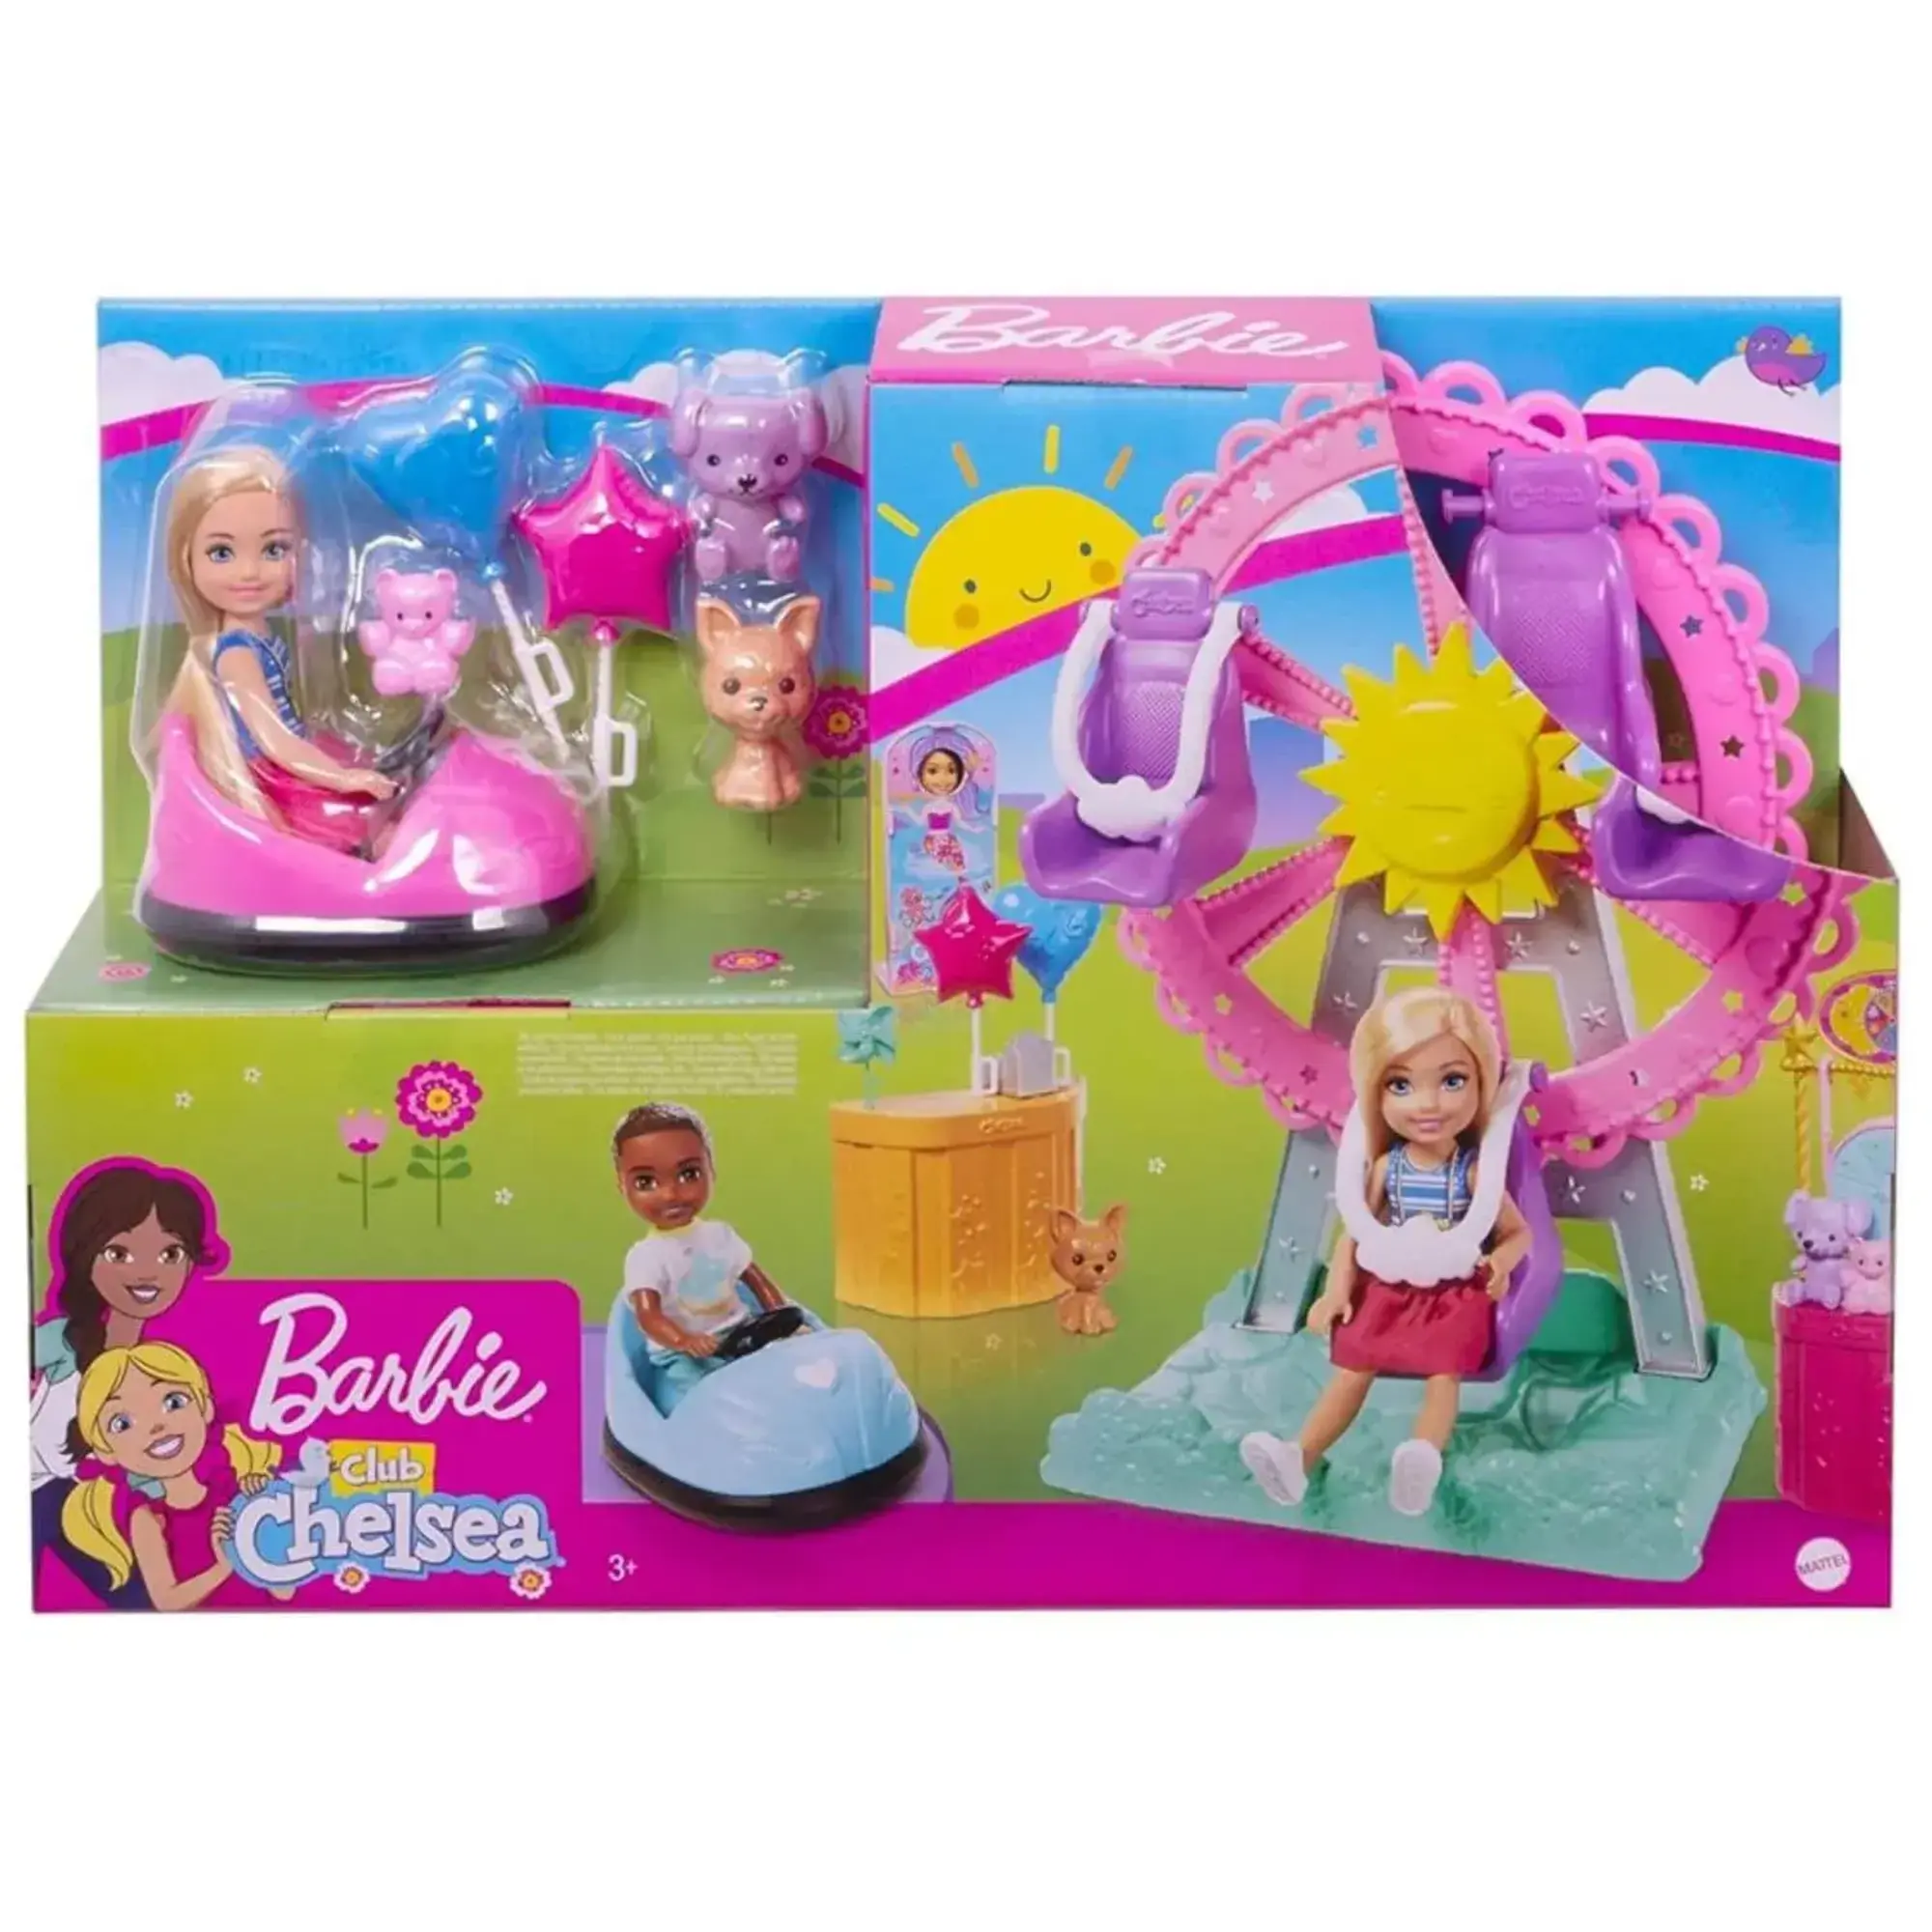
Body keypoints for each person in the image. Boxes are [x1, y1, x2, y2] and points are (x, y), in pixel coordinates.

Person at [1240, 989, 1532, 1518]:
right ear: (1376, 1092)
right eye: (1401, 1084)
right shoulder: (1386, 1168)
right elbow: (1355, 1233)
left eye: (1452, 1081)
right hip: (1386, 1289)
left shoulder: (1470, 1172)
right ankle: (1297, 1458)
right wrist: (1335, 1292)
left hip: (1452, 1294)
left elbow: (1517, 1233)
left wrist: (1501, 1264)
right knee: (1353, 1371)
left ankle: (1421, 1459)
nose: (1427, 1104)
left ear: (1482, 1084)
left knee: (1444, 1377)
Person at [163, 444, 393, 851]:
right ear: (187, 560)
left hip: (293, 758)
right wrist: (341, 778)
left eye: (274, 550)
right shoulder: (238, 653)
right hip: (274, 776)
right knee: (366, 824)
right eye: (221, 553)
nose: (249, 571)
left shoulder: (261, 637)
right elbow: (274, 739)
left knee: (378, 791)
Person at [60, 1342, 285, 1611]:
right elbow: (166, 1601)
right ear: (105, 1451)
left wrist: (267, 1510)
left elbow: (285, 1590)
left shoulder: (233, 1495)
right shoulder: (148, 1519)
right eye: (122, 1423)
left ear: (205, 1407)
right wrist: (223, 1567)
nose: (156, 1426)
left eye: (173, 1402)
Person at [611, 1103, 797, 1408]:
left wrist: (782, 1315)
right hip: (683, 1354)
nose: (671, 1194)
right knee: (704, 1395)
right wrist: (684, 1340)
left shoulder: (720, 1235)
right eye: (646, 1182)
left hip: (741, 1331)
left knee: (784, 1370)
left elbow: (755, 1278)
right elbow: (649, 1316)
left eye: (689, 1174)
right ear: (622, 1186)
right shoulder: (646, 1256)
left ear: (711, 1171)